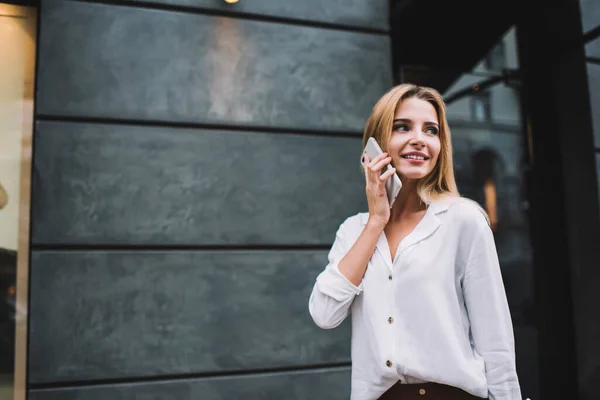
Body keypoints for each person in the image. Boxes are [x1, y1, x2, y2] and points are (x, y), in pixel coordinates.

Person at [308, 84, 521, 400]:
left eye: (431, 130)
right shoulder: (353, 231)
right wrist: (376, 222)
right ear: (376, 145)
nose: (419, 139)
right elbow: (324, 314)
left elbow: (495, 337)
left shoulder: (463, 220)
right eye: (402, 127)